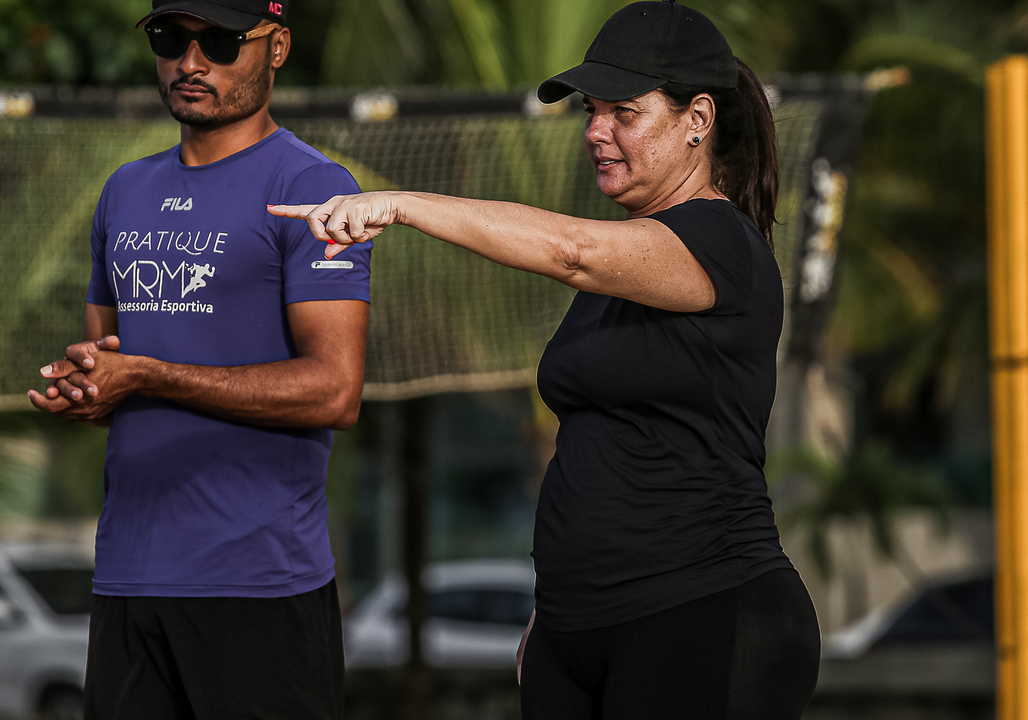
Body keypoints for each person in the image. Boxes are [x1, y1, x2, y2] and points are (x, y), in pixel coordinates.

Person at [270, 2, 820, 718]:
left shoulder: (720, 241)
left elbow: (572, 251)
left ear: (698, 119)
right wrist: (555, 614)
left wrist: (398, 205)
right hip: (576, 626)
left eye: (624, 112)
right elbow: (607, 445)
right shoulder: (624, 273)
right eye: (592, 111)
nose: (596, 131)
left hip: (703, 608)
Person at [28, 0, 372, 718]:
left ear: (276, 46)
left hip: (261, 584)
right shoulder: (124, 190)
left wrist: (148, 374)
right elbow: (110, 369)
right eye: (170, 38)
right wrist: (85, 388)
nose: (190, 63)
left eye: (219, 42)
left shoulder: (311, 187)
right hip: (128, 579)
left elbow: (335, 391)